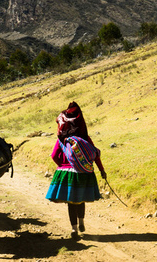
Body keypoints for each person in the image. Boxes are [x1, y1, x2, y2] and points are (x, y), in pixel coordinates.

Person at [45, 101, 106, 238]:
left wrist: (62, 165)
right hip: (84, 173)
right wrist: (101, 170)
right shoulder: (85, 138)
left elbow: (54, 155)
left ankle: (74, 229)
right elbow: (95, 155)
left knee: (70, 202)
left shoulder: (62, 139)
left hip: (67, 173)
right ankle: (81, 221)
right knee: (81, 199)